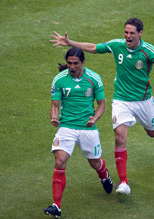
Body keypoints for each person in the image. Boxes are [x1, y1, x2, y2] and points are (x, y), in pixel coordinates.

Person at [50, 18, 154, 195]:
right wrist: (70, 42)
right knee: (119, 137)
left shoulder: (148, 50)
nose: (128, 36)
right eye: (126, 32)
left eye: (132, 33)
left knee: (152, 133)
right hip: (121, 100)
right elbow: (94, 47)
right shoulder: (117, 45)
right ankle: (123, 182)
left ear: (140, 33)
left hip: (143, 101)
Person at [44, 47, 113, 218]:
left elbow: (102, 104)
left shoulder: (94, 78)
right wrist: (54, 117)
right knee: (60, 161)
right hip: (66, 126)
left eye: (75, 63)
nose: (72, 67)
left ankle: (104, 174)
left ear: (83, 62)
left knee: (94, 163)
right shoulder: (60, 79)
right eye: (69, 63)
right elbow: (55, 105)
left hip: (87, 128)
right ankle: (56, 206)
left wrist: (95, 119)